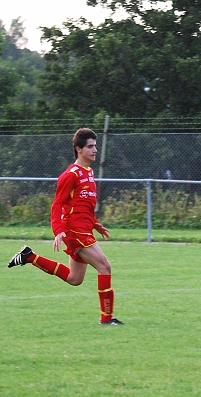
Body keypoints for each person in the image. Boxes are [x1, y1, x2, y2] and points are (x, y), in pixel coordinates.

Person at [7, 128, 123, 325]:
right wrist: (58, 231)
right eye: (90, 146)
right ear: (79, 149)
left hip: (84, 229)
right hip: (74, 231)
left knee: (74, 279)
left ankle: (30, 257)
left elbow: (82, 206)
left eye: (96, 146)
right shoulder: (70, 175)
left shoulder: (89, 172)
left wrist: (96, 224)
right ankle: (106, 319)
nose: (95, 150)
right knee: (104, 267)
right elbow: (58, 204)